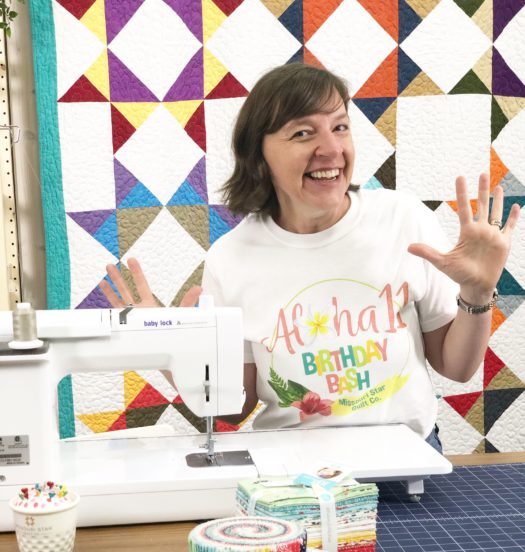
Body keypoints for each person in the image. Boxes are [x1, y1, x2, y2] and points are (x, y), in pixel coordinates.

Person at [99, 63, 520, 453]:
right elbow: (233, 407)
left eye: (340, 127)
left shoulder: (402, 220)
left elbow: (457, 367)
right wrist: (165, 343)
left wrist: (478, 291)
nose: (330, 148)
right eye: (303, 133)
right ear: (259, 155)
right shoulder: (231, 257)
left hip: (407, 454)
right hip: (289, 468)